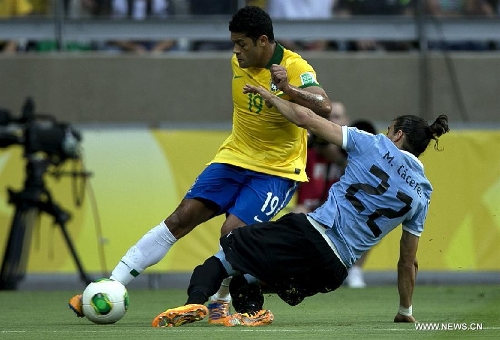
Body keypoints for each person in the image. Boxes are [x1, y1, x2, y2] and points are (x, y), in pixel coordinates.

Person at [68, 5, 332, 325]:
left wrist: (289, 89)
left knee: (232, 234)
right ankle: (112, 284)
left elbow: (325, 106)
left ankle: (220, 302)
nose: (235, 50)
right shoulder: (239, 61)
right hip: (233, 158)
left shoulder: (294, 65)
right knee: (181, 218)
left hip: (276, 170)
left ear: (263, 41)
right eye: (233, 43)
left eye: (242, 43)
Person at [150, 83, 449, 327]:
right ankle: (251, 314)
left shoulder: (373, 144)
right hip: (335, 270)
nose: (385, 134)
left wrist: (271, 96)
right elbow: (408, 261)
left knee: (227, 247)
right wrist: (405, 308)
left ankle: (194, 303)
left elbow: (307, 120)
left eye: (389, 130)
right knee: (247, 278)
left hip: (312, 234)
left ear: (397, 135)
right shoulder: (423, 193)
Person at [294, 111, 378, 289]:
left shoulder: (354, 151)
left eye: (337, 117)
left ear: (347, 122)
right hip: (309, 211)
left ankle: (355, 271)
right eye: (329, 118)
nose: (332, 121)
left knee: (371, 218)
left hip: (340, 214)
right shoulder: (306, 146)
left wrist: (338, 158)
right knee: (297, 214)